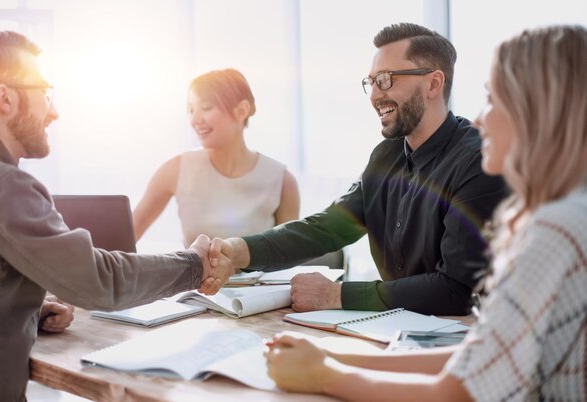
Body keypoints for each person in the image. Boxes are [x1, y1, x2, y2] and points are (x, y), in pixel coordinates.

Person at [265, 24, 587, 401]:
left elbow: (458, 392)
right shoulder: (566, 214)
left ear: (538, 112)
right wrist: (334, 356)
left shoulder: (552, 230)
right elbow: (475, 358)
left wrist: (326, 376)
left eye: (493, 99)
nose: (480, 118)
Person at [0, 30, 234, 401]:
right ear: (4, 97)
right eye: (44, 92)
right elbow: (98, 281)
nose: (53, 112)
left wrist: (26, 308)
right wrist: (195, 265)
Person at [210, 23, 507, 315]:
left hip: (456, 343)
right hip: (390, 332)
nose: (375, 96)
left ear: (433, 83)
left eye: (387, 80)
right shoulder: (385, 156)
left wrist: (335, 295)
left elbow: (455, 290)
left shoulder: (479, 162)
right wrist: (234, 251)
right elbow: (326, 228)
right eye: (372, 82)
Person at [133, 68, 300, 247]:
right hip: (196, 276)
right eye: (190, 109)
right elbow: (131, 230)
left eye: (206, 108)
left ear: (241, 111)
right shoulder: (176, 170)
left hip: (259, 276)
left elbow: (287, 254)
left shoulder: (282, 181)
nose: (195, 119)